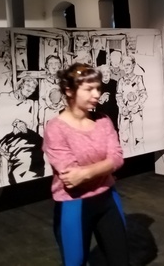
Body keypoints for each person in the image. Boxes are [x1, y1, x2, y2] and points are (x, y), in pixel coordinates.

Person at [42, 63, 129, 266]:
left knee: (121, 260)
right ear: (69, 90)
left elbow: (117, 158)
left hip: (108, 199)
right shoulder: (55, 128)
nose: (96, 94)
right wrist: (104, 167)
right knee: (75, 262)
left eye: (98, 88)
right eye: (89, 89)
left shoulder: (103, 121)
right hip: (74, 204)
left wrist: (85, 173)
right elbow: (71, 177)